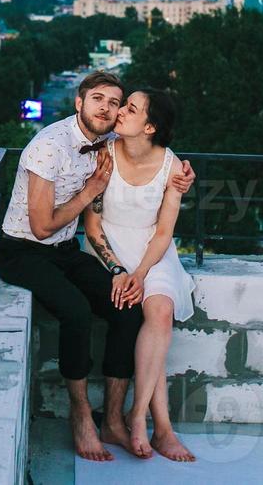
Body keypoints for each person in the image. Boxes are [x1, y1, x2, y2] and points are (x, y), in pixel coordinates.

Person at [0, 71, 194, 463]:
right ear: (78, 103)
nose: (107, 108)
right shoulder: (47, 147)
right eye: (98, 99)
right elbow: (40, 226)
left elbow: (154, 152)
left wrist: (185, 174)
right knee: (76, 311)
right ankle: (82, 415)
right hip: (23, 250)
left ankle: (115, 420)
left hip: (65, 249)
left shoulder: (107, 139)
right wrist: (90, 191)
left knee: (127, 310)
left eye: (115, 102)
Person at [82, 90, 196, 462]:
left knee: (159, 312)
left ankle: (137, 417)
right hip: (108, 247)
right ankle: (161, 428)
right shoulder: (105, 153)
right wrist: (120, 270)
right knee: (148, 324)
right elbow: (92, 224)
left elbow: (164, 232)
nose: (119, 112)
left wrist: (142, 273)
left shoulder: (174, 169)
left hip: (152, 250)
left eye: (129, 109)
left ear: (149, 127)